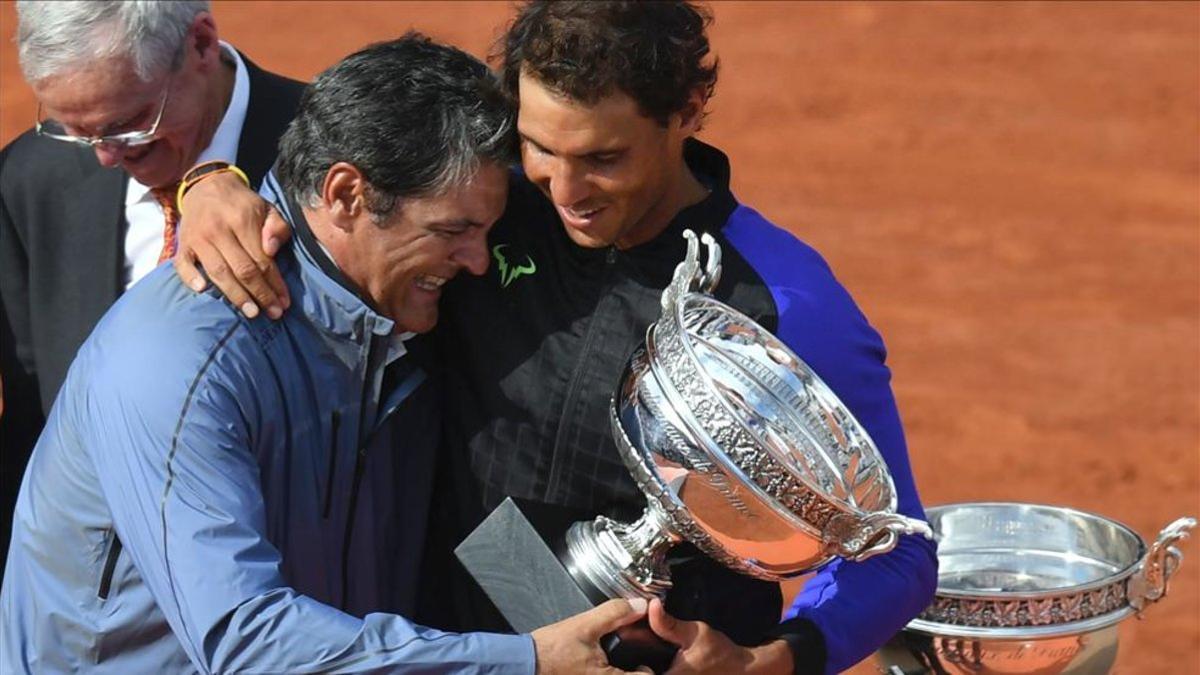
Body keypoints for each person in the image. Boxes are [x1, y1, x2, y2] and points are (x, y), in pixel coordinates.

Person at [177, 3, 939, 673]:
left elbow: (896, 548)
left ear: (691, 108)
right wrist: (213, 180)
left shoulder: (783, 300)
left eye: (604, 159)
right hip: (440, 648)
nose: (565, 192)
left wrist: (775, 660)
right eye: (541, 147)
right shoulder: (487, 197)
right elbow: (341, 155)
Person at [0, 34, 646, 674]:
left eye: (483, 229)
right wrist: (527, 660)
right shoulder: (179, 366)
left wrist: (587, 637)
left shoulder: (401, 306)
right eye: (453, 231)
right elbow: (246, 643)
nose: (479, 260)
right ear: (344, 195)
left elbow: (467, 505)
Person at [0, 0, 303, 574]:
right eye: (78, 130)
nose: (109, 157)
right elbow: (33, 430)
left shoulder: (338, 159)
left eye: (131, 120)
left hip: (286, 582)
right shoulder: (31, 178)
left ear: (201, 44)